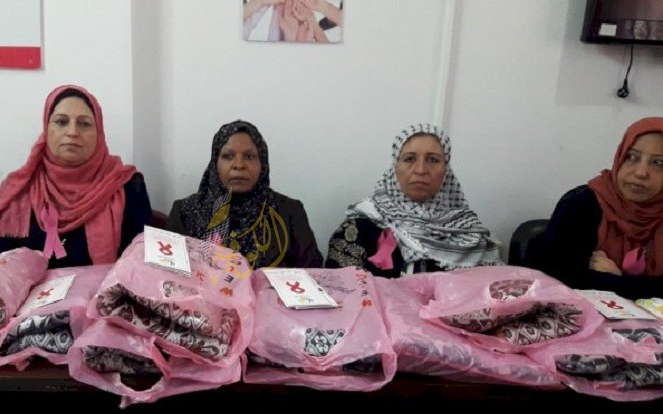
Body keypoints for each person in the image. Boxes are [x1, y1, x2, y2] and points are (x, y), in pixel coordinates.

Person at [0, 85, 151, 268]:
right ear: (46, 129)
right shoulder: (18, 190)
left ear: (99, 132)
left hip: (106, 286)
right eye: (61, 122)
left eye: (84, 124)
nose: (72, 132)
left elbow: (142, 265)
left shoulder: (126, 185)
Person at [326, 123, 502, 277]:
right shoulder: (363, 225)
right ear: (395, 168)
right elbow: (339, 291)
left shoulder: (469, 231)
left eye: (433, 160)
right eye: (409, 159)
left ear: (446, 171)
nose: (420, 169)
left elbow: (494, 292)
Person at [166, 119, 323, 270]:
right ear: (215, 163)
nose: (239, 165)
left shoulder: (289, 212)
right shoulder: (185, 212)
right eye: (228, 156)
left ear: (262, 164)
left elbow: (313, 274)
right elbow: (168, 273)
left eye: (249, 156)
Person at [538, 117, 663, 300]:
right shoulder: (581, 204)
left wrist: (617, 279)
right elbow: (557, 279)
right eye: (631, 157)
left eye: (658, 163)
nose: (640, 172)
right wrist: (637, 287)